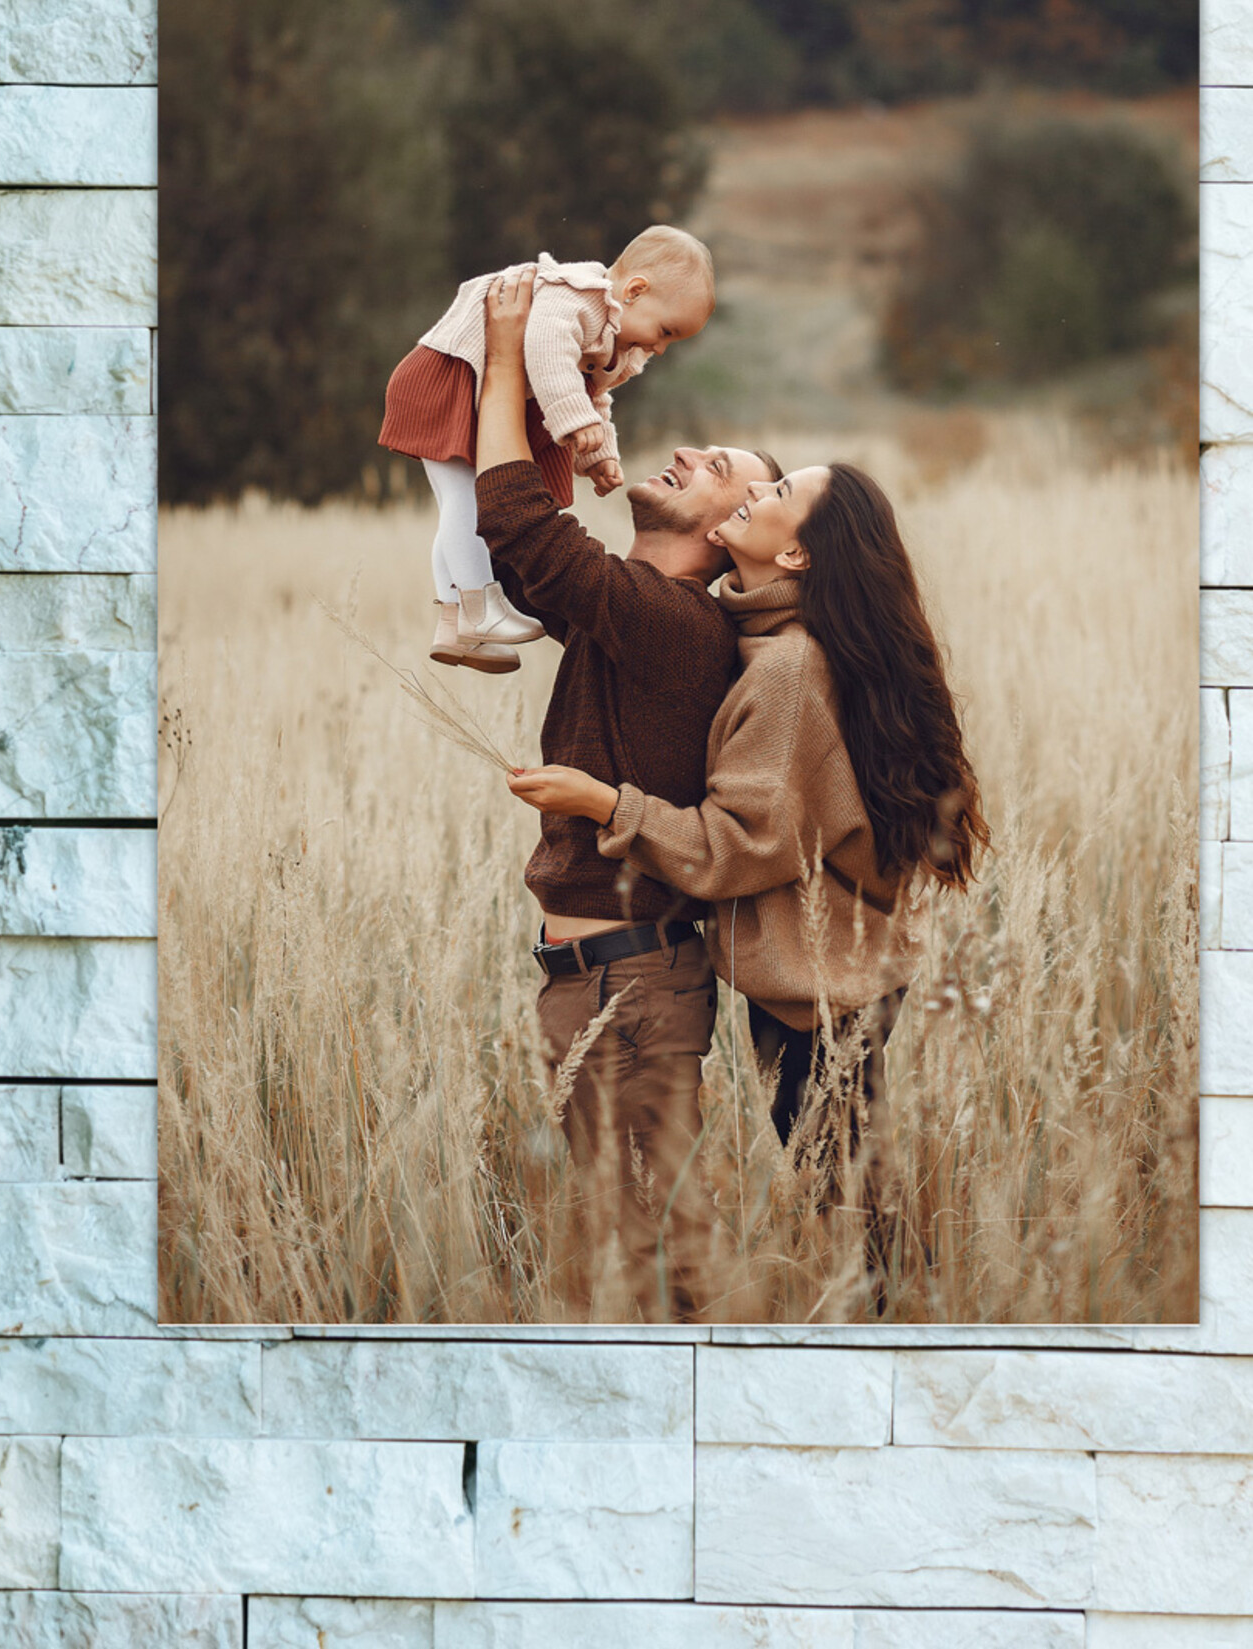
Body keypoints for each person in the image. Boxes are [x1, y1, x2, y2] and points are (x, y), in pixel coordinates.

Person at [508, 459, 988, 1271]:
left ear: (797, 556)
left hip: (823, 998)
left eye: (775, 494)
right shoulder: (764, 641)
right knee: (851, 1195)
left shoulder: (789, 669)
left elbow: (742, 844)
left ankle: (897, 1337)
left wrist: (604, 802)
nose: (753, 497)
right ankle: (893, 1315)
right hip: (827, 983)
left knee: (854, 1211)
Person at [473, 264, 780, 1317]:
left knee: (665, 1256)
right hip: (590, 976)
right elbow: (526, 566)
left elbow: (524, 530)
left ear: (732, 527)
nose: (688, 451)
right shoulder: (638, 610)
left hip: (633, 987)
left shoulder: (675, 625)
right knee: (623, 1245)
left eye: (719, 470)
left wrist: (509, 360)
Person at [380, 227, 715, 673]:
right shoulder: (575, 297)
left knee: (456, 502)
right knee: (466, 500)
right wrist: (574, 422)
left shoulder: (615, 335)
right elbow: (546, 352)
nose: (659, 347)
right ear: (634, 291)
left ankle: (455, 621)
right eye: (665, 331)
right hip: (453, 375)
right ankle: (481, 605)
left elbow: (594, 395)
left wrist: (598, 454)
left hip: (481, 387)